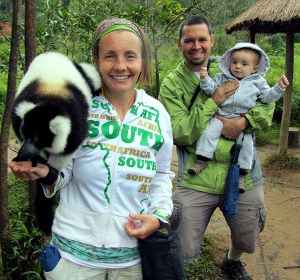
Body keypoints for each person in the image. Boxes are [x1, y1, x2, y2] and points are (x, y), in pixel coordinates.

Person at [9, 18, 174, 280]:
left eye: (130, 56)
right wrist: (47, 175)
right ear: (97, 61)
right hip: (73, 259)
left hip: (132, 259)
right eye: (110, 56)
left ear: (142, 61)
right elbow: (65, 172)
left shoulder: (157, 113)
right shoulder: (78, 110)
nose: (120, 66)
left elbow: (163, 175)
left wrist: (159, 216)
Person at [158, 15, 276, 280]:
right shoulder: (172, 84)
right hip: (196, 176)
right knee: (182, 239)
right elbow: (179, 131)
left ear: (212, 41)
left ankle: (232, 261)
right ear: (180, 43)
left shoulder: (234, 66)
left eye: (202, 39)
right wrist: (214, 103)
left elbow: (267, 105)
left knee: (247, 230)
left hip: (242, 172)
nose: (196, 46)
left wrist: (244, 121)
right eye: (189, 40)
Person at [188, 42, 289, 194]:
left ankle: (242, 174)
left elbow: (267, 97)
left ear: (254, 68)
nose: (237, 66)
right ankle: (202, 160)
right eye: (234, 62)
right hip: (221, 115)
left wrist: (279, 88)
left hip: (242, 118)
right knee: (209, 133)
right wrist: (204, 78)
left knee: (247, 145)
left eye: (244, 64)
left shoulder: (258, 82)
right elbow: (210, 89)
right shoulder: (222, 77)